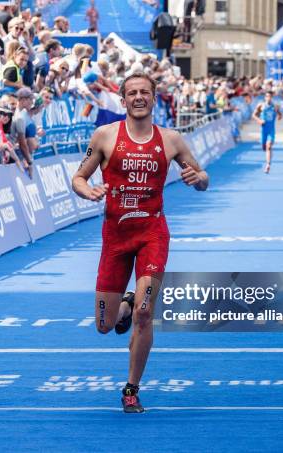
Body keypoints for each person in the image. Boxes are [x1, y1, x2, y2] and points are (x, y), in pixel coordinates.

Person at [71, 72, 209, 413]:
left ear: (154, 97)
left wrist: (198, 179)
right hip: (115, 237)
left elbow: (202, 177)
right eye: (131, 92)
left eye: (144, 92)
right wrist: (87, 190)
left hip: (152, 234)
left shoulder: (172, 139)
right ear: (123, 99)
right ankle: (127, 303)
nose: (138, 97)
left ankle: (131, 389)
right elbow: (78, 176)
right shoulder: (104, 136)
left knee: (145, 316)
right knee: (104, 326)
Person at [252, 91, 282, 174]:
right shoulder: (261, 106)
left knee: (268, 146)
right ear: (265, 97)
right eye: (267, 96)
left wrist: (279, 116)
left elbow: (280, 115)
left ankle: (268, 164)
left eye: (270, 96)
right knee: (264, 148)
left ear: (272, 97)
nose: (268, 98)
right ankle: (269, 157)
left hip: (271, 130)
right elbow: (254, 115)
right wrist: (259, 120)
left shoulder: (275, 106)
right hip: (263, 130)